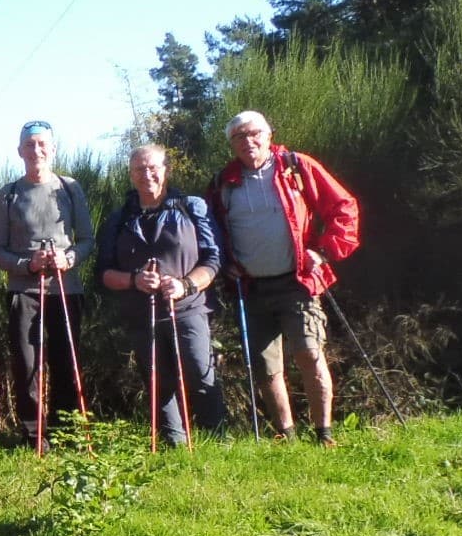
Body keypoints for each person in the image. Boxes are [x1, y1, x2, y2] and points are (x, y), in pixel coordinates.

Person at [208, 110, 361, 446]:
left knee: (309, 353)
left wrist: (323, 252)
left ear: (269, 134)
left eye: (254, 133)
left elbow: (344, 207)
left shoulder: (296, 167)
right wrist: (224, 263)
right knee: (265, 367)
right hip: (250, 288)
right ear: (231, 144)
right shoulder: (223, 183)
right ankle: (286, 436)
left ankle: (324, 434)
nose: (248, 141)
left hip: (298, 282)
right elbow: (212, 233)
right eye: (239, 137)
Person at [100, 145, 229, 446]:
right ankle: (173, 445)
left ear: (166, 169)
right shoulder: (119, 219)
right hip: (141, 314)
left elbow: (213, 259)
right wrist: (134, 280)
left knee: (199, 373)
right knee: (159, 382)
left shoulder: (191, 206)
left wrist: (186, 284)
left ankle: (218, 442)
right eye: (139, 169)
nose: (147, 174)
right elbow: (103, 273)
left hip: (187, 308)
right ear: (131, 175)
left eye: (153, 167)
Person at [0, 121, 93, 446]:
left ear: (53, 148)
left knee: (66, 360)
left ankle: (66, 432)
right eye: (30, 145)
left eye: (42, 144)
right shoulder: (8, 194)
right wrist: (25, 264)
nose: (37, 151)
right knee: (27, 363)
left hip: (65, 287)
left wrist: (69, 258)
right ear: (20, 151)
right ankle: (33, 434)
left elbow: (87, 239)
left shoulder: (69, 188)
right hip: (23, 291)